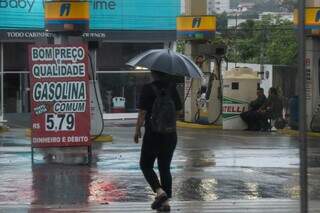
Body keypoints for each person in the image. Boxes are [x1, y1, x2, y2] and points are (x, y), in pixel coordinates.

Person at [134, 70, 182, 211]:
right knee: (165, 167)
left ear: (153, 74)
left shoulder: (148, 88)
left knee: (145, 165)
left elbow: (142, 113)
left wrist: (137, 130)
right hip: (170, 135)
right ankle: (165, 203)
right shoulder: (172, 88)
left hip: (152, 135)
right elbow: (178, 111)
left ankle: (160, 192)